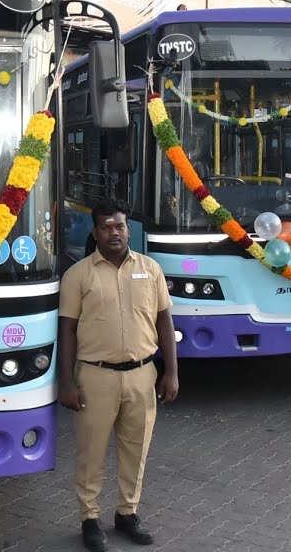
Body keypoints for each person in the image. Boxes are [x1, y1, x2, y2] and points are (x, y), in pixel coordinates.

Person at [58, 201, 178, 552]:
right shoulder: (78, 275)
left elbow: (164, 322)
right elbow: (67, 331)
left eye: (120, 226)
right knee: (91, 453)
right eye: (107, 227)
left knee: (136, 449)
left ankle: (127, 513)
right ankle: (90, 518)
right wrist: (66, 381)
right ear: (95, 233)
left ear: (129, 231)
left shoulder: (150, 268)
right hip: (96, 377)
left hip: (143, 374)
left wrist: (170, 372)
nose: (114, 232)